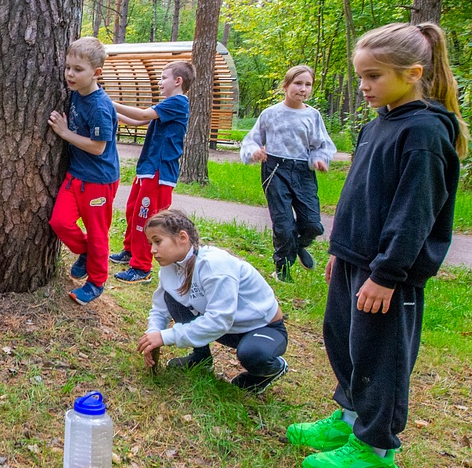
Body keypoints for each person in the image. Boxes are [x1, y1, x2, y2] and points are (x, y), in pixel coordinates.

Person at [287, 23, 467, 468]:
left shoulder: (426, 131)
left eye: (373, 77)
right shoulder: (378, 123)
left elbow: (414, 213)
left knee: (381, 356)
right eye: (361, 76)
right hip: (355, 260)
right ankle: (350, 419)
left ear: (412, 73)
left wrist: (387, 274)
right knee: (345, 341)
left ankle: (376, 454)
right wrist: (341, 252)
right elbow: (359, 195)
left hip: (390, 271)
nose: (363, 87)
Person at [136, 209, 290, 392]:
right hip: (227, 328)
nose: (152, 250)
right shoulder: (171, 267)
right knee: (171, 296)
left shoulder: (214, 265)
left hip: (261, 328)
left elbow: (219, 320)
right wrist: (152, 336)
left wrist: (165, 336)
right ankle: (201, 357)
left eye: (158, 241)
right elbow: (160, 309)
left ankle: (273, 368)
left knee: (254, 354)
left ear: (182, 237)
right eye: (150, 243)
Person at [239, 65, 337, 282]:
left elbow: (322, 144)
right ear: (285, 86)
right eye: (298, 83)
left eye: (308, 84)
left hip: (303, 171)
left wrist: (319, 159)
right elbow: (251, 140)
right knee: (283, 225)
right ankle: (282, 270)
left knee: (313, 224)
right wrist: (254, 152)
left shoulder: (313, 116)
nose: (302, 89)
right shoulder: (270, 114)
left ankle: (298, 246)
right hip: (275, 169)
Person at [47, 37, 120, 304]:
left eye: (78, 69)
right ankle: (86, 251)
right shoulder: (76, 94)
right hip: (76, 175)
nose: (70, 74)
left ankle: (96, 282)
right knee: (59, 221)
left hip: (99, 180)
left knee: (98, 232)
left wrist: (65, 133)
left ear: (96, 73)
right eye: (68, 67)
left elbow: (99, 148)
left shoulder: (100, 106)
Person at [109, 60, 194, 283]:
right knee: (133, 211)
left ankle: (141, 267)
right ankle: (130, 251)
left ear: (178, 81)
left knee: (146, 218)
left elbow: (142, 115)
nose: (159, 82)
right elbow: (136, 122)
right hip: (147, 168)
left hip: (159, 172)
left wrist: (108, 101)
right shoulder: (167, 104)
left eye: (163, 77)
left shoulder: (177, 102)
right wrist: (110, 110)